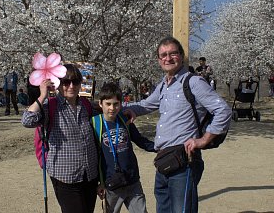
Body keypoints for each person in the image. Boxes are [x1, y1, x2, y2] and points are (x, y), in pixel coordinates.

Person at [124, 36, 232, 213]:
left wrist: (203, 140)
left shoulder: (194, 82)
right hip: (163, 161)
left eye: (173, 53)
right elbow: (144, 105)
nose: (168, 58)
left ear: (181, 56)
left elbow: (223, 111)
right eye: (163, 55)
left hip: (184, 161)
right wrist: (111, 108)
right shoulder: (163, 86)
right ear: (159, 60)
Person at [21, 64, 98, 213]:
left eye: (75, 82)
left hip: (90, 175)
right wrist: (42, 95)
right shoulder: (50, 106)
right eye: (65, 82)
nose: (71, 86)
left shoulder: (86, 105)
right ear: (58, 84)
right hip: (65, 176)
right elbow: (27, 120)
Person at [93, 82, 155, 213]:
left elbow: (140, 141)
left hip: (132, 180)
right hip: (111, 184)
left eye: (116, 104)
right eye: (108, 104)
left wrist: (160, 147)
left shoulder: (124, 119)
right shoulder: (94, 123)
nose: (112, 108)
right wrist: (99, 183)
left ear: (121, 104)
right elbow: (93, 157)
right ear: (100, 104)